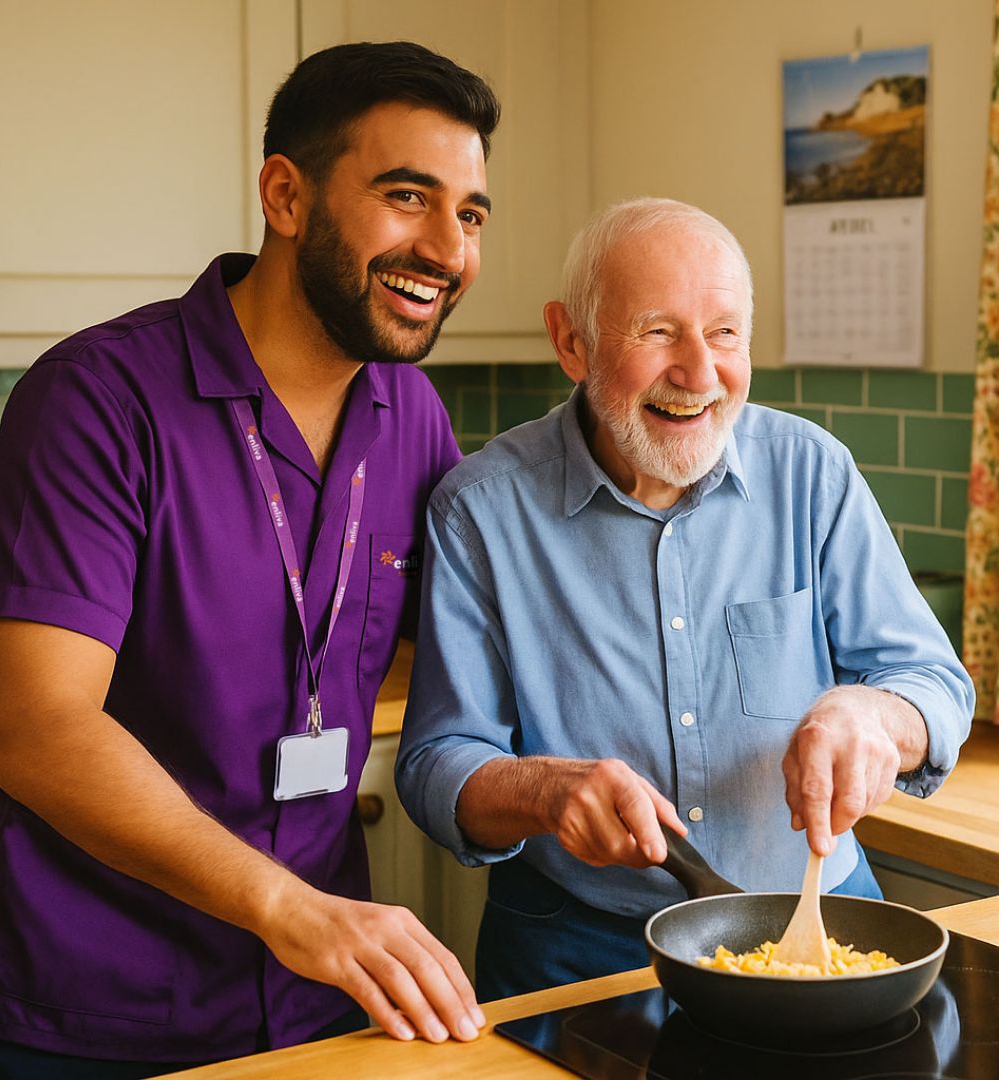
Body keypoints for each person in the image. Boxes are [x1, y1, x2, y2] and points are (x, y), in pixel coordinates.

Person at [0, 41, 499, 1077]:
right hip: (91, 1019)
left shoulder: (412, 412)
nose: (447, 248)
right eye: (407, 196)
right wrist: (291, 910)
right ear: (285, 197)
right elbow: (37, 727)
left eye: (469, 214)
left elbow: (466, 647)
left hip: (319, 1004)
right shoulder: (94, 401)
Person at [395, 197, 974, 1002]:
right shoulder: (481, 510)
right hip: (579, 949)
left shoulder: (814, 472)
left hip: (818, 928)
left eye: (725, 333)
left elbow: (934, 684)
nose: (700, 374)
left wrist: (875, 718)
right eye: (659, 331)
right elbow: (434, 763)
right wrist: (544, 791)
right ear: (572, 340)